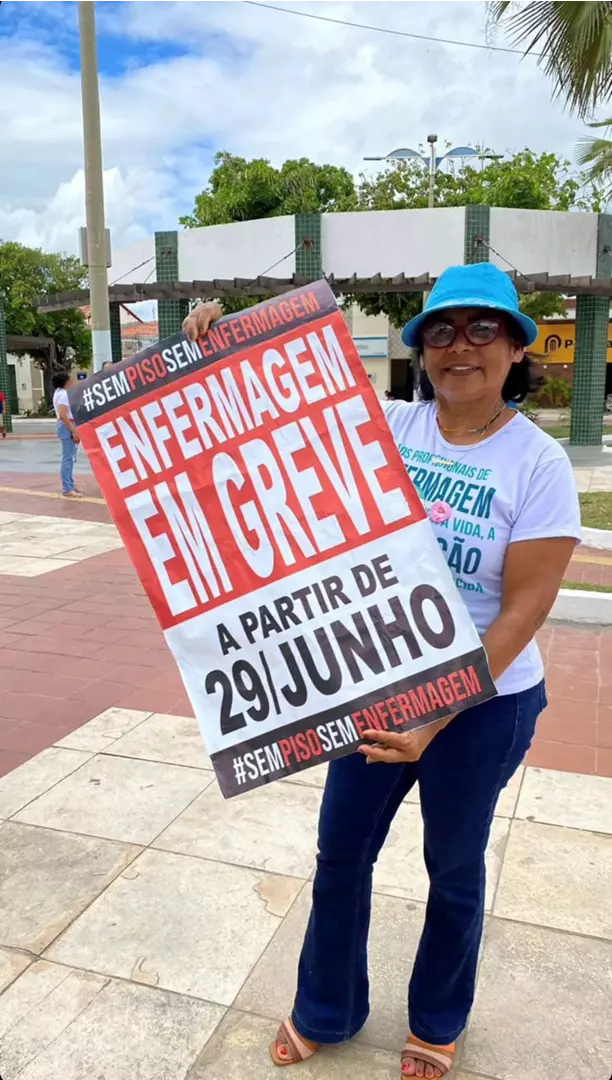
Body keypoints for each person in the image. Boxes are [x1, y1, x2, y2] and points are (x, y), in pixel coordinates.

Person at [183, 263, 581, 1078]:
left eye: (480, 330)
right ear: (420, 350)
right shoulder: (392, 427)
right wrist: (215, 345)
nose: (458, 347)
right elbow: (277, 418)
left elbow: (523, 609)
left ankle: (438, 1019)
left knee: (454, 865)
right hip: (377, 689)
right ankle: (326, 1007)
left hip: (485, 703)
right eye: (440, 331)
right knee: (342, 852)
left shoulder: (539, 465)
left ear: (513, 348)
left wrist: (438, 712)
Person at [52, 371, 81, 498]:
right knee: (68, 458)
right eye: (71, 379)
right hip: (67, 425)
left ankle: (70, 484)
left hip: (65, 425)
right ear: (67, 382)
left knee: (69, 457)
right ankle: (67, 488)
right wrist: (73, 430)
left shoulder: (59, 392)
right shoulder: (63, 394)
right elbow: (63, 414)